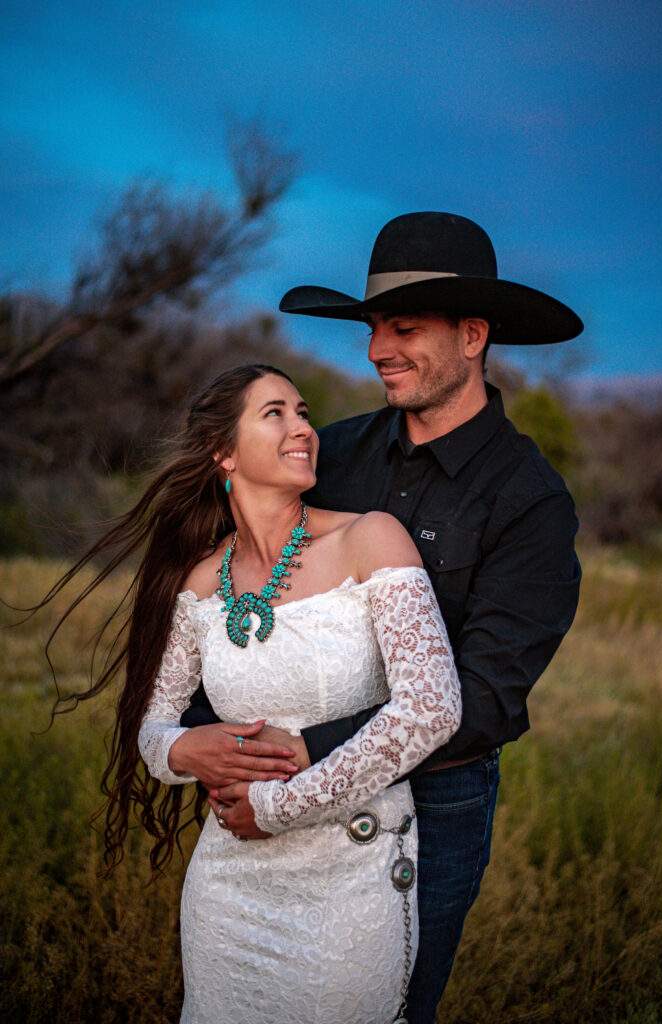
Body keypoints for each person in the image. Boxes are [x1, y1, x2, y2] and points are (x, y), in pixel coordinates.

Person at [183, 212, 583, 1024]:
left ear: (474, 335)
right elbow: (234, 590)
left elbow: (486, 697)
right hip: (266, 777)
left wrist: (302, 756)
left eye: (404, 328)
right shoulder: (331, 455)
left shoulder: (528, 501)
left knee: (384, 1005)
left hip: (432, 803)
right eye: (372, 328)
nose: (375, 350)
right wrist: (215, 740)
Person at [42, 362, 461, 1024]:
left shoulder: (369, 538)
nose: (303, 427)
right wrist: (188, 748)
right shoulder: (201, 582)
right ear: (224, 452)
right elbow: (151, 728)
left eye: (302, 411)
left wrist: (279, 806)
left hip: (349, 877)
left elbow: (432, 708)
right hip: (228, 891)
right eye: (276, 413)